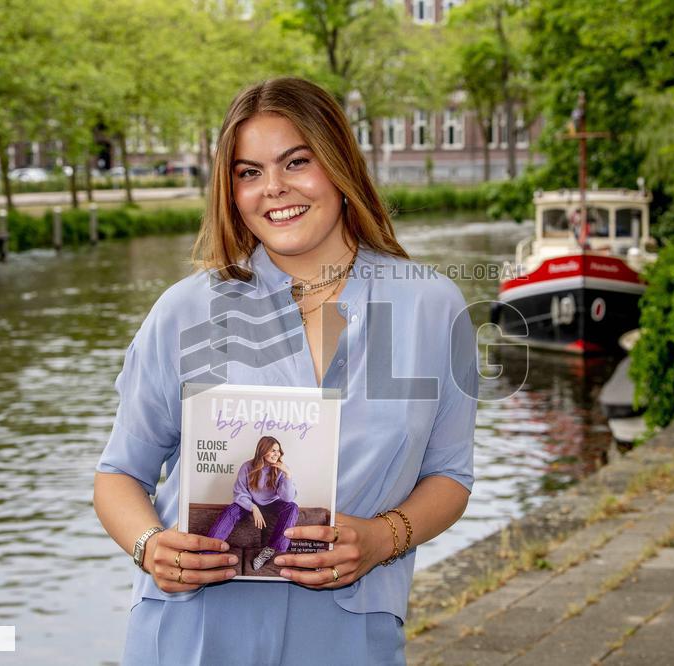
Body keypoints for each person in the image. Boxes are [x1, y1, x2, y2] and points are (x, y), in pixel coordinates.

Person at [93, 76, 478, 665]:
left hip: (347, 637)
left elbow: (450, 477)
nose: (273, 189)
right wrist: (150, 546)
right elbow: (120, 473)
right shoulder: (186, 311)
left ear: (339, 164)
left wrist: (380, 539)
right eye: (248, 172)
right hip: (193, 633)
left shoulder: (431, 307)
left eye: (296, 162)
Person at [206, 436, 300, 572]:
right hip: (249, 502)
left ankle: (270, 551)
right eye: (273, 450)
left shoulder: (281, 470)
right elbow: (239, 493)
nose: (277, 454)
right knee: (231, 509)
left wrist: (288, 475)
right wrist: (253, 507)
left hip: (273, 504)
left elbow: (287, 498)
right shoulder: (247, 467)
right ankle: (208, 552)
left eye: (278, 451)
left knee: (292, 507)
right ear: (263, 450)